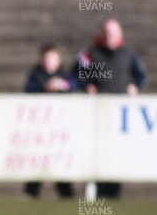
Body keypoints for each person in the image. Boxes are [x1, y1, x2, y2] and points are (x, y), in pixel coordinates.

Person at [75, 18, 147, 198]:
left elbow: (141, 75)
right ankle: (94, 191)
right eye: (107, 33)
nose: (110, 37)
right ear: (101, 34)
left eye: (114, 33)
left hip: (119, 116)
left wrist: (135, 87)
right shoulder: (90, 53)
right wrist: (87, 86)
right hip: (96, 114)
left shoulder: (128, 54)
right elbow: (76, 74)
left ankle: (113, 193)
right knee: (96, 150)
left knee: (115, 152)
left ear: (120, 34)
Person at [23, 43, 76, 199]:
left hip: (59, 131)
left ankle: (66, 194)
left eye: (53, 59)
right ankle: (31, 193)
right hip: (39, 130)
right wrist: (45, 88)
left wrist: (63, 86)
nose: (49, 63)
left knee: (61, 163)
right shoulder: (36, 76)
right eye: (47, 60)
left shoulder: (64, 75)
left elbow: (74, 85)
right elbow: (29, 90)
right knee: (36, 162)